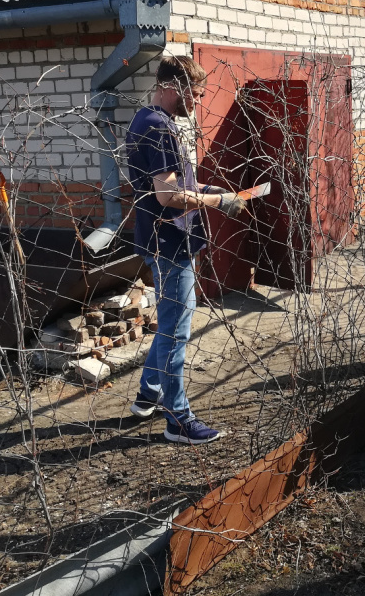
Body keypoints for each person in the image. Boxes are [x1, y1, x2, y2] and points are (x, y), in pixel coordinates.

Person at [124, 55, 250, 444]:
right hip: (170, 242)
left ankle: (148, 394)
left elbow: (177, 185)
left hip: (161, 238)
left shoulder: (145, 119)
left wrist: (218, 192)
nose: (197, 101)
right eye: (194, 93)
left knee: (169, 321)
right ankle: (178, 418)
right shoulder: (159, 128)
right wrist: (220, 203)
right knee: (177, 331)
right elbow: (168, 195)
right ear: (172, 87)